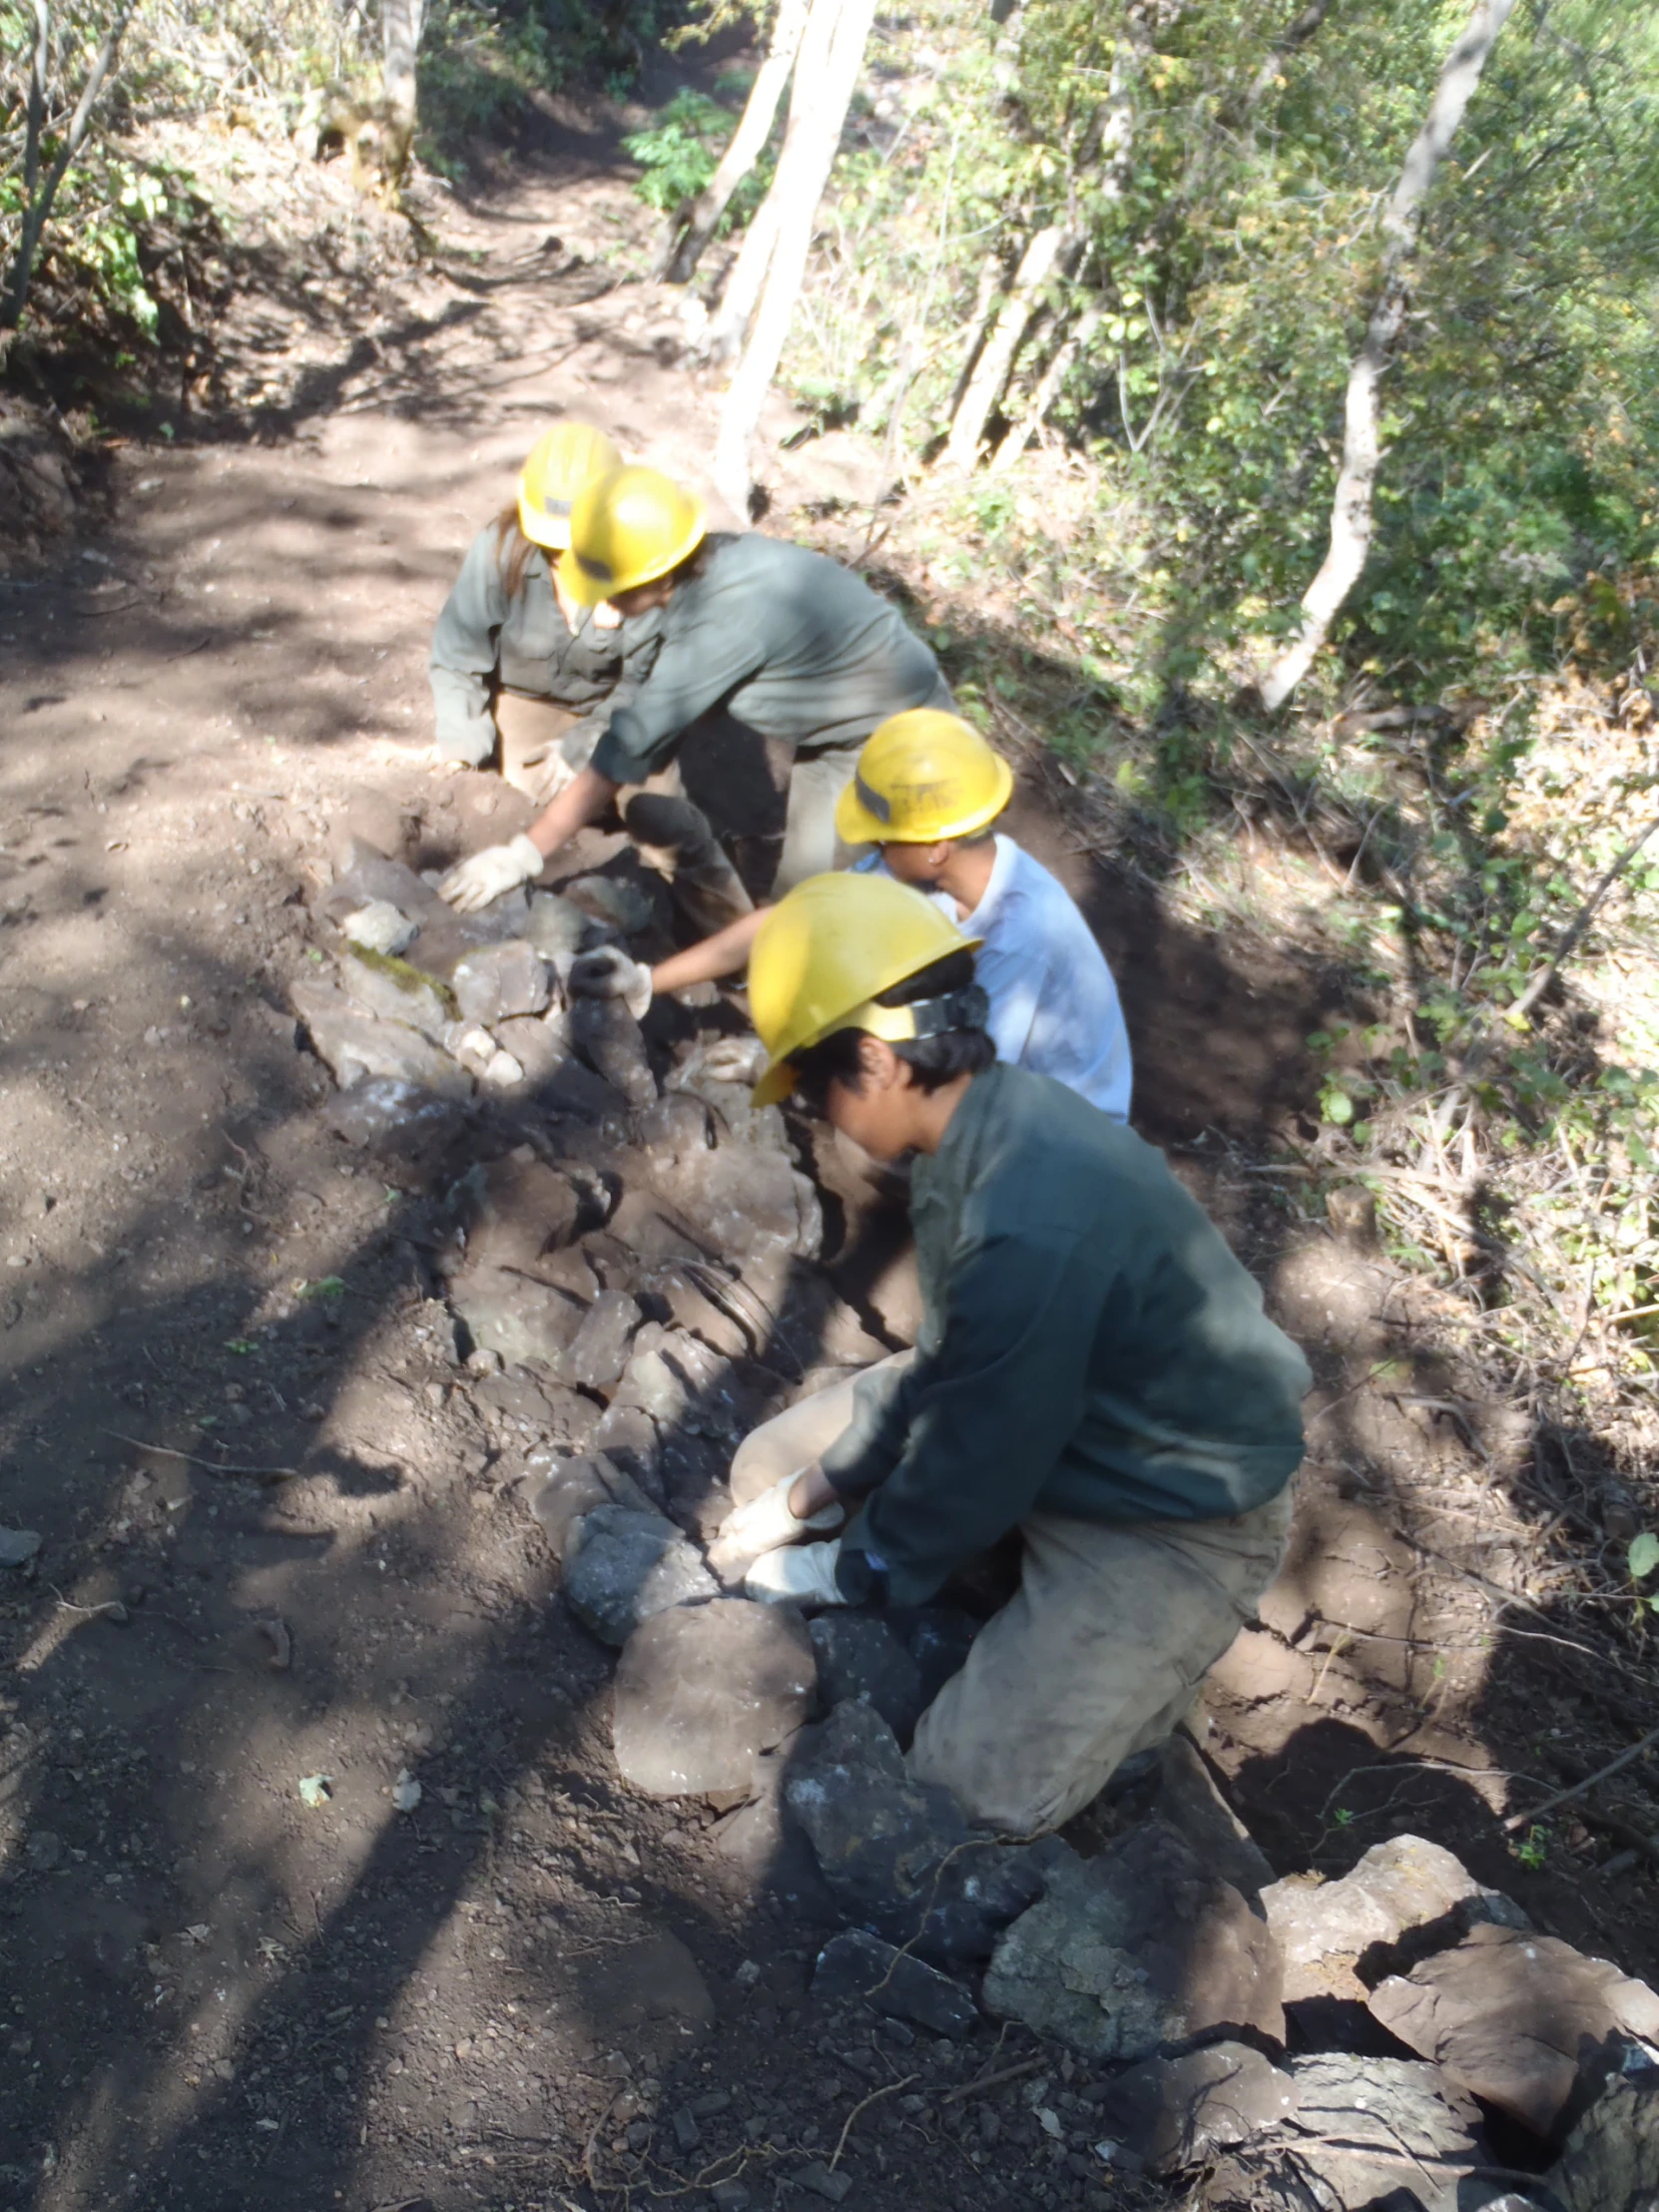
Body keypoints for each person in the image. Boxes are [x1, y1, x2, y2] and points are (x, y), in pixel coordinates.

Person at [709, 870, 1309, 1836]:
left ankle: (1141, 1694)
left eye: (818, 1089)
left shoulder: (1029, 1212)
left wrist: (854, 1571)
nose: (820, 1116)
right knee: (767, 1469)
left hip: (1171, 1510)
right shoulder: (980, 1128)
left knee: (960, 1797)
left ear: (875, 1060)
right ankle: (990, 1583)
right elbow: (946, 1365)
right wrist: (813, 1491)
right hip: (1054, 1423)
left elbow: (981, 1448)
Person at [436, 463, 953, 915]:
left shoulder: (723, 620)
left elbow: (631, 744)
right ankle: (761, 962)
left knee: (820, 905)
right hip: (828, 732)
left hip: (894, 737)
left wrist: (525, 853)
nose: (604, 606)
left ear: (652, 579)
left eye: (611, 591)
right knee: (794, 897)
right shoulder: (698, 568)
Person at [570, 710, 1134, 1120]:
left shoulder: (1023, 935)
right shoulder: (932, 865)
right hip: (979, 1054)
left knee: (870, 1145)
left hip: (1056, 1124)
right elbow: (794, 921)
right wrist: (647, 981)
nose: (873, 851)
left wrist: (796, 1071)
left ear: (935, 846)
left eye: (884, 839)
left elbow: (964, 1079)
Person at [427, 421, 663, 802]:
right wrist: (462, 752)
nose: (563, 556)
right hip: (526, 707)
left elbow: (649, 682)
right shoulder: (500, 549)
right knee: (522, 796)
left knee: (658, 804)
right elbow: (457, 656)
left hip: (616, 715)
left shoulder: (645, 565)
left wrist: (591, 739)